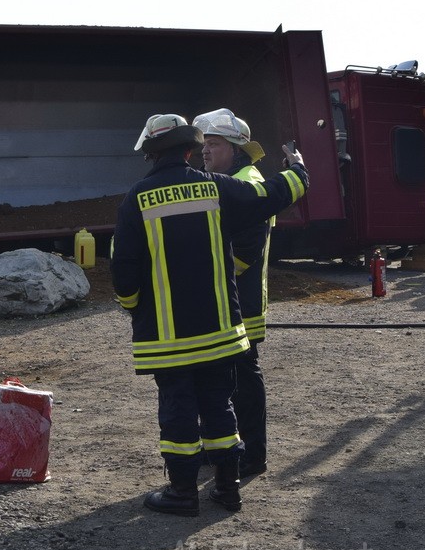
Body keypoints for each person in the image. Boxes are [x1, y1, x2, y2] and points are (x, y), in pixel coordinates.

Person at [110, 113, 308, 517]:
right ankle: (228, 489)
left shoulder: (136, 198)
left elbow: (123, 270)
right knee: (220, 405)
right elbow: (271, 195)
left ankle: (183, 493)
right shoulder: (216, 189)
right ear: (189, 149)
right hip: (220, 331)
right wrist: (300, 170)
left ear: (150, 154)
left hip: (169, 337)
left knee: (178, 409)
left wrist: (134, 307)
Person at [192, 108, 271, 478]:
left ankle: (252, 455)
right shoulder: (226, 180)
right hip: (226, 300)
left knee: (242, 380)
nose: (205, 151)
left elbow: (244, 252)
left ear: (236, 148)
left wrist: (202, 281)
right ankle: (223, 448)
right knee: (218, 380)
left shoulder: (248, 183)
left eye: (214, 144)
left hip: (241, 303)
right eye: (204, 144)